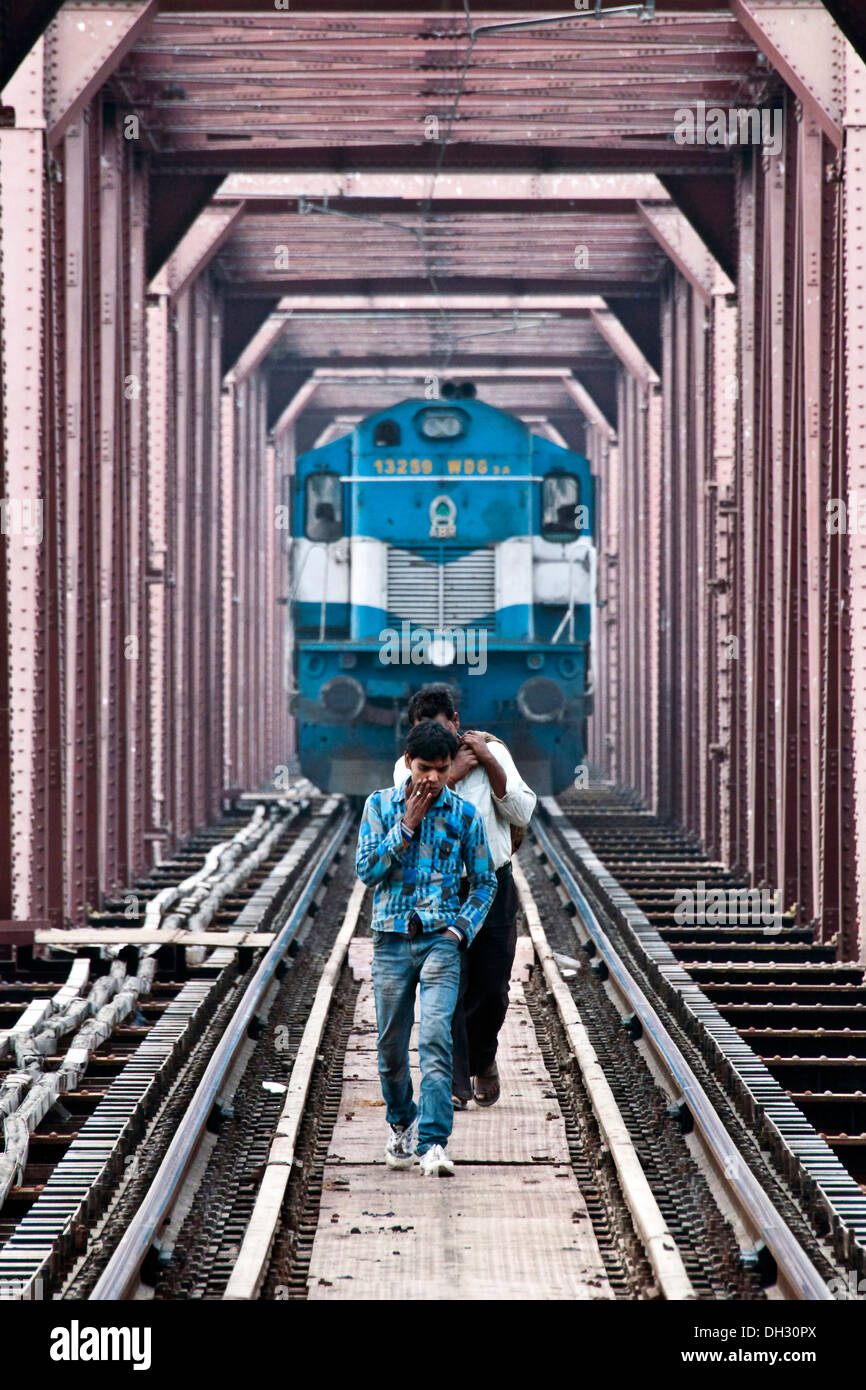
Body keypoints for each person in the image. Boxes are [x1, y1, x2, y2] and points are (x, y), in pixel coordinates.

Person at [356, 719, 497, 1177]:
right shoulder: (379, 807)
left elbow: (484, 883)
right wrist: (406, 827)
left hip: (440, 942)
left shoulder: (464, 815)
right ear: (407, 762)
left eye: (440, 769)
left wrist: (461, 930)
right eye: (424, 768)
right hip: (392, 942)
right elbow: (367, 871)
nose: (432, 778)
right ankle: (401, 1124)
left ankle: (433, 1141)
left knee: (435, 1040)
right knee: (391, 1046)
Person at [393, 685, 536, 1108]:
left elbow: (523, 813)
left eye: (442, 729)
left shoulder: (492, 752)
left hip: (490, 884)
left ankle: (483, 1058)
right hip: (437, 892)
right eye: (424, 731)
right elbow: (405, 816)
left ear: (456, 723)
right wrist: (448, 775)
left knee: (492, 988)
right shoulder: (408, 769)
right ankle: (454, 1084)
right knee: (447, 989)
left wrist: (489, 762)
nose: (436, 739)